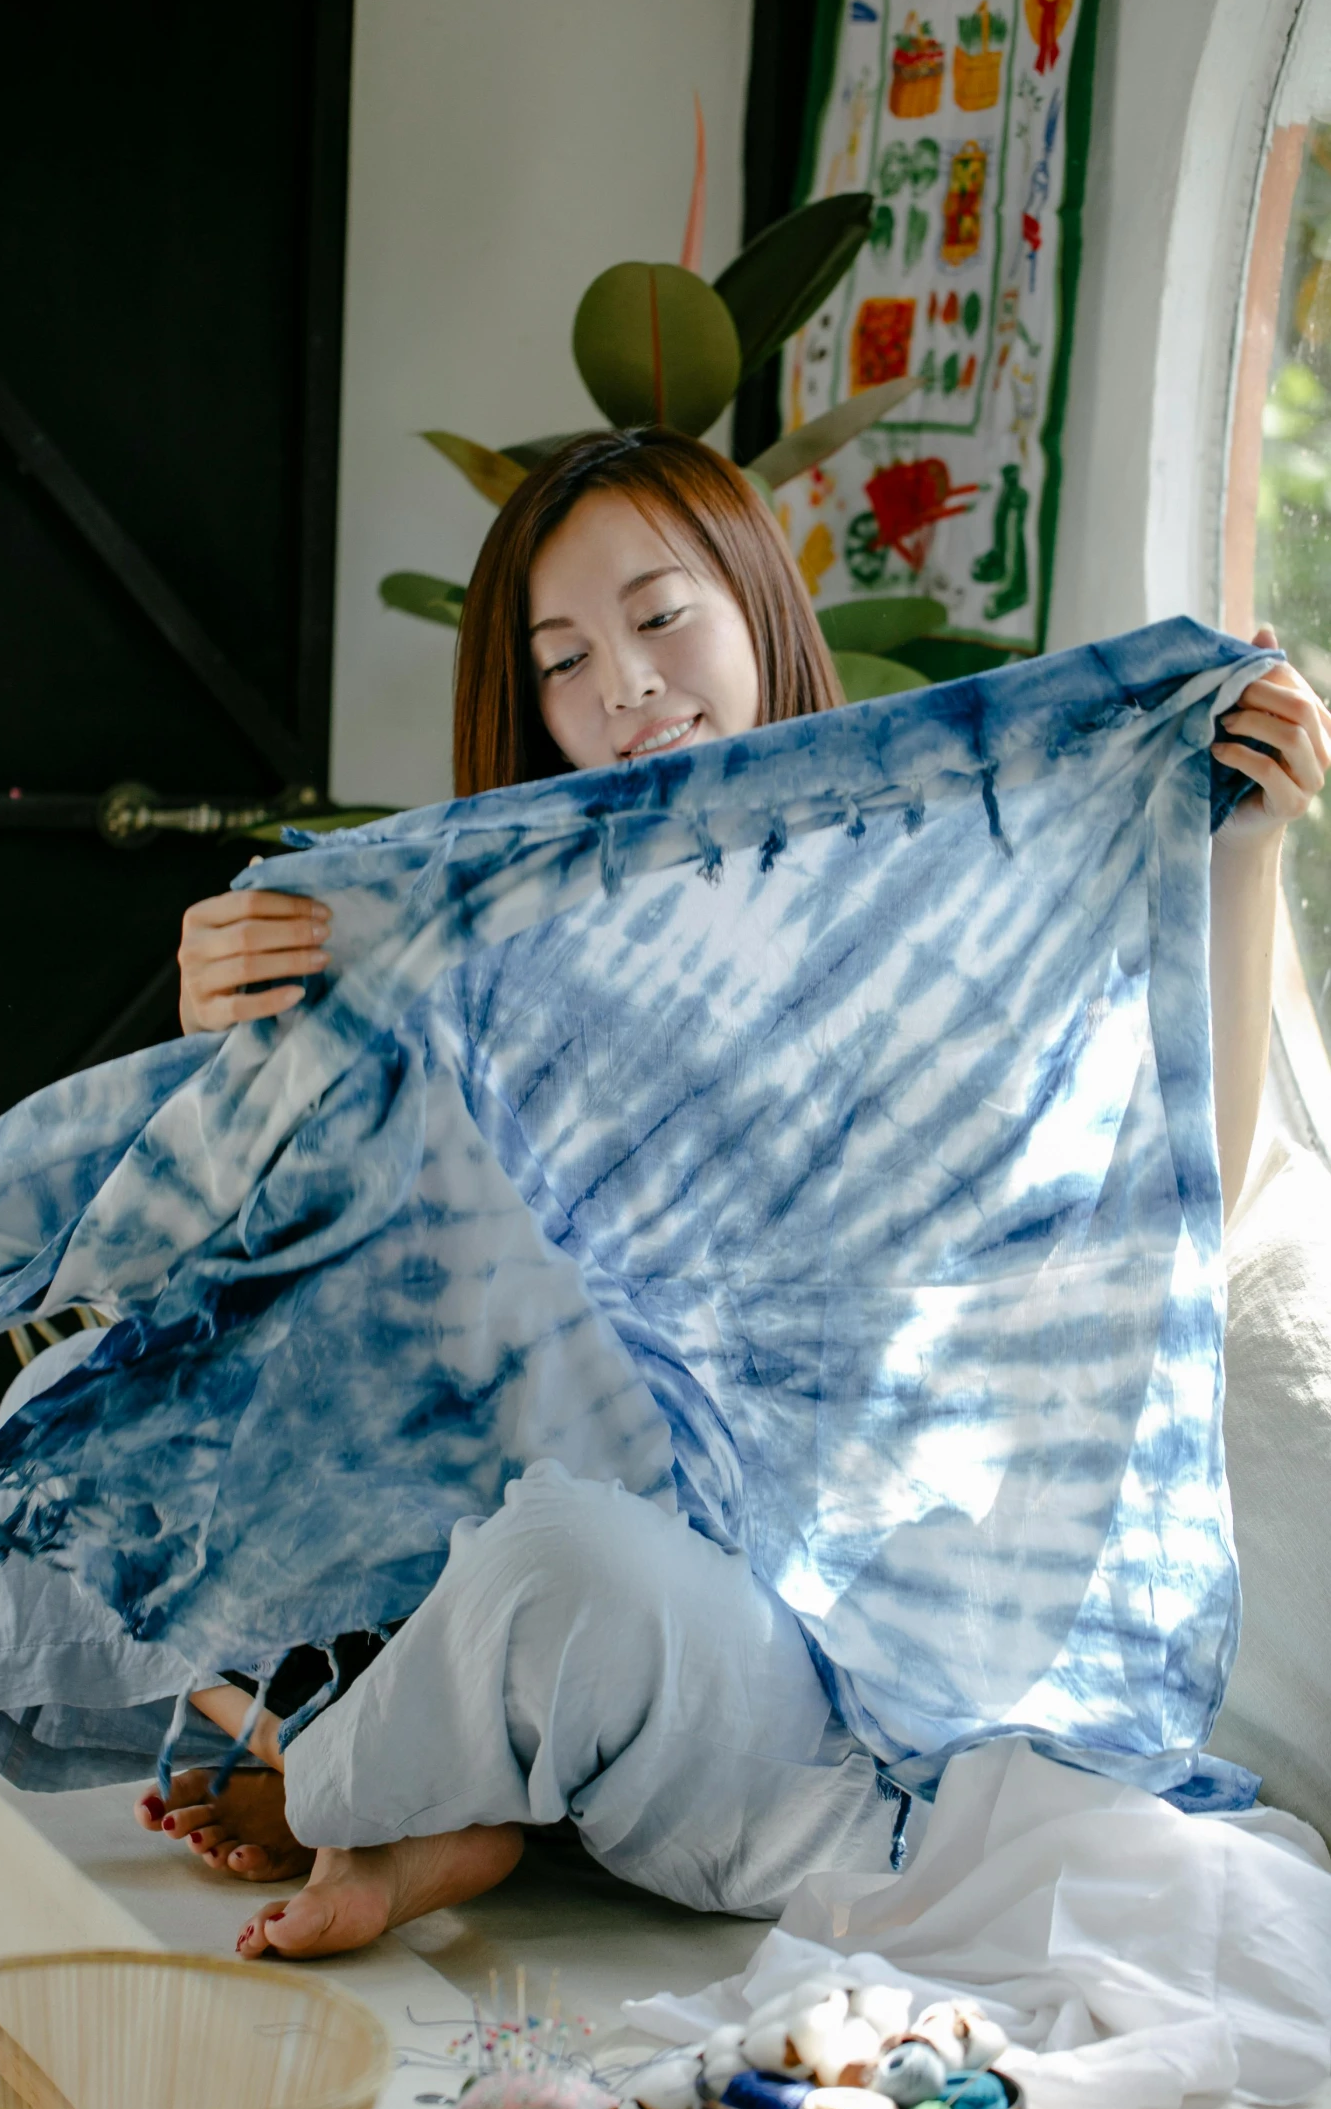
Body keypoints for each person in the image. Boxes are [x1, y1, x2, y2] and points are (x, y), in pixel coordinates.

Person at [137, 428, 1329, 1960]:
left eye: (658, 614)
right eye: (562, 659)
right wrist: (234, 1036)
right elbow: (340, 1277)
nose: (622, 686)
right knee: (553, 1558)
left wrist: (1240, 851)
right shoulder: (500, 968)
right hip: (716, 1677)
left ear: (757, 602)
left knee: (563, 1577)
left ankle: (354, 1785)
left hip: (933, 1686)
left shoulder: (933, 889)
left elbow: (1167, 1198)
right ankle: (402, 1796)